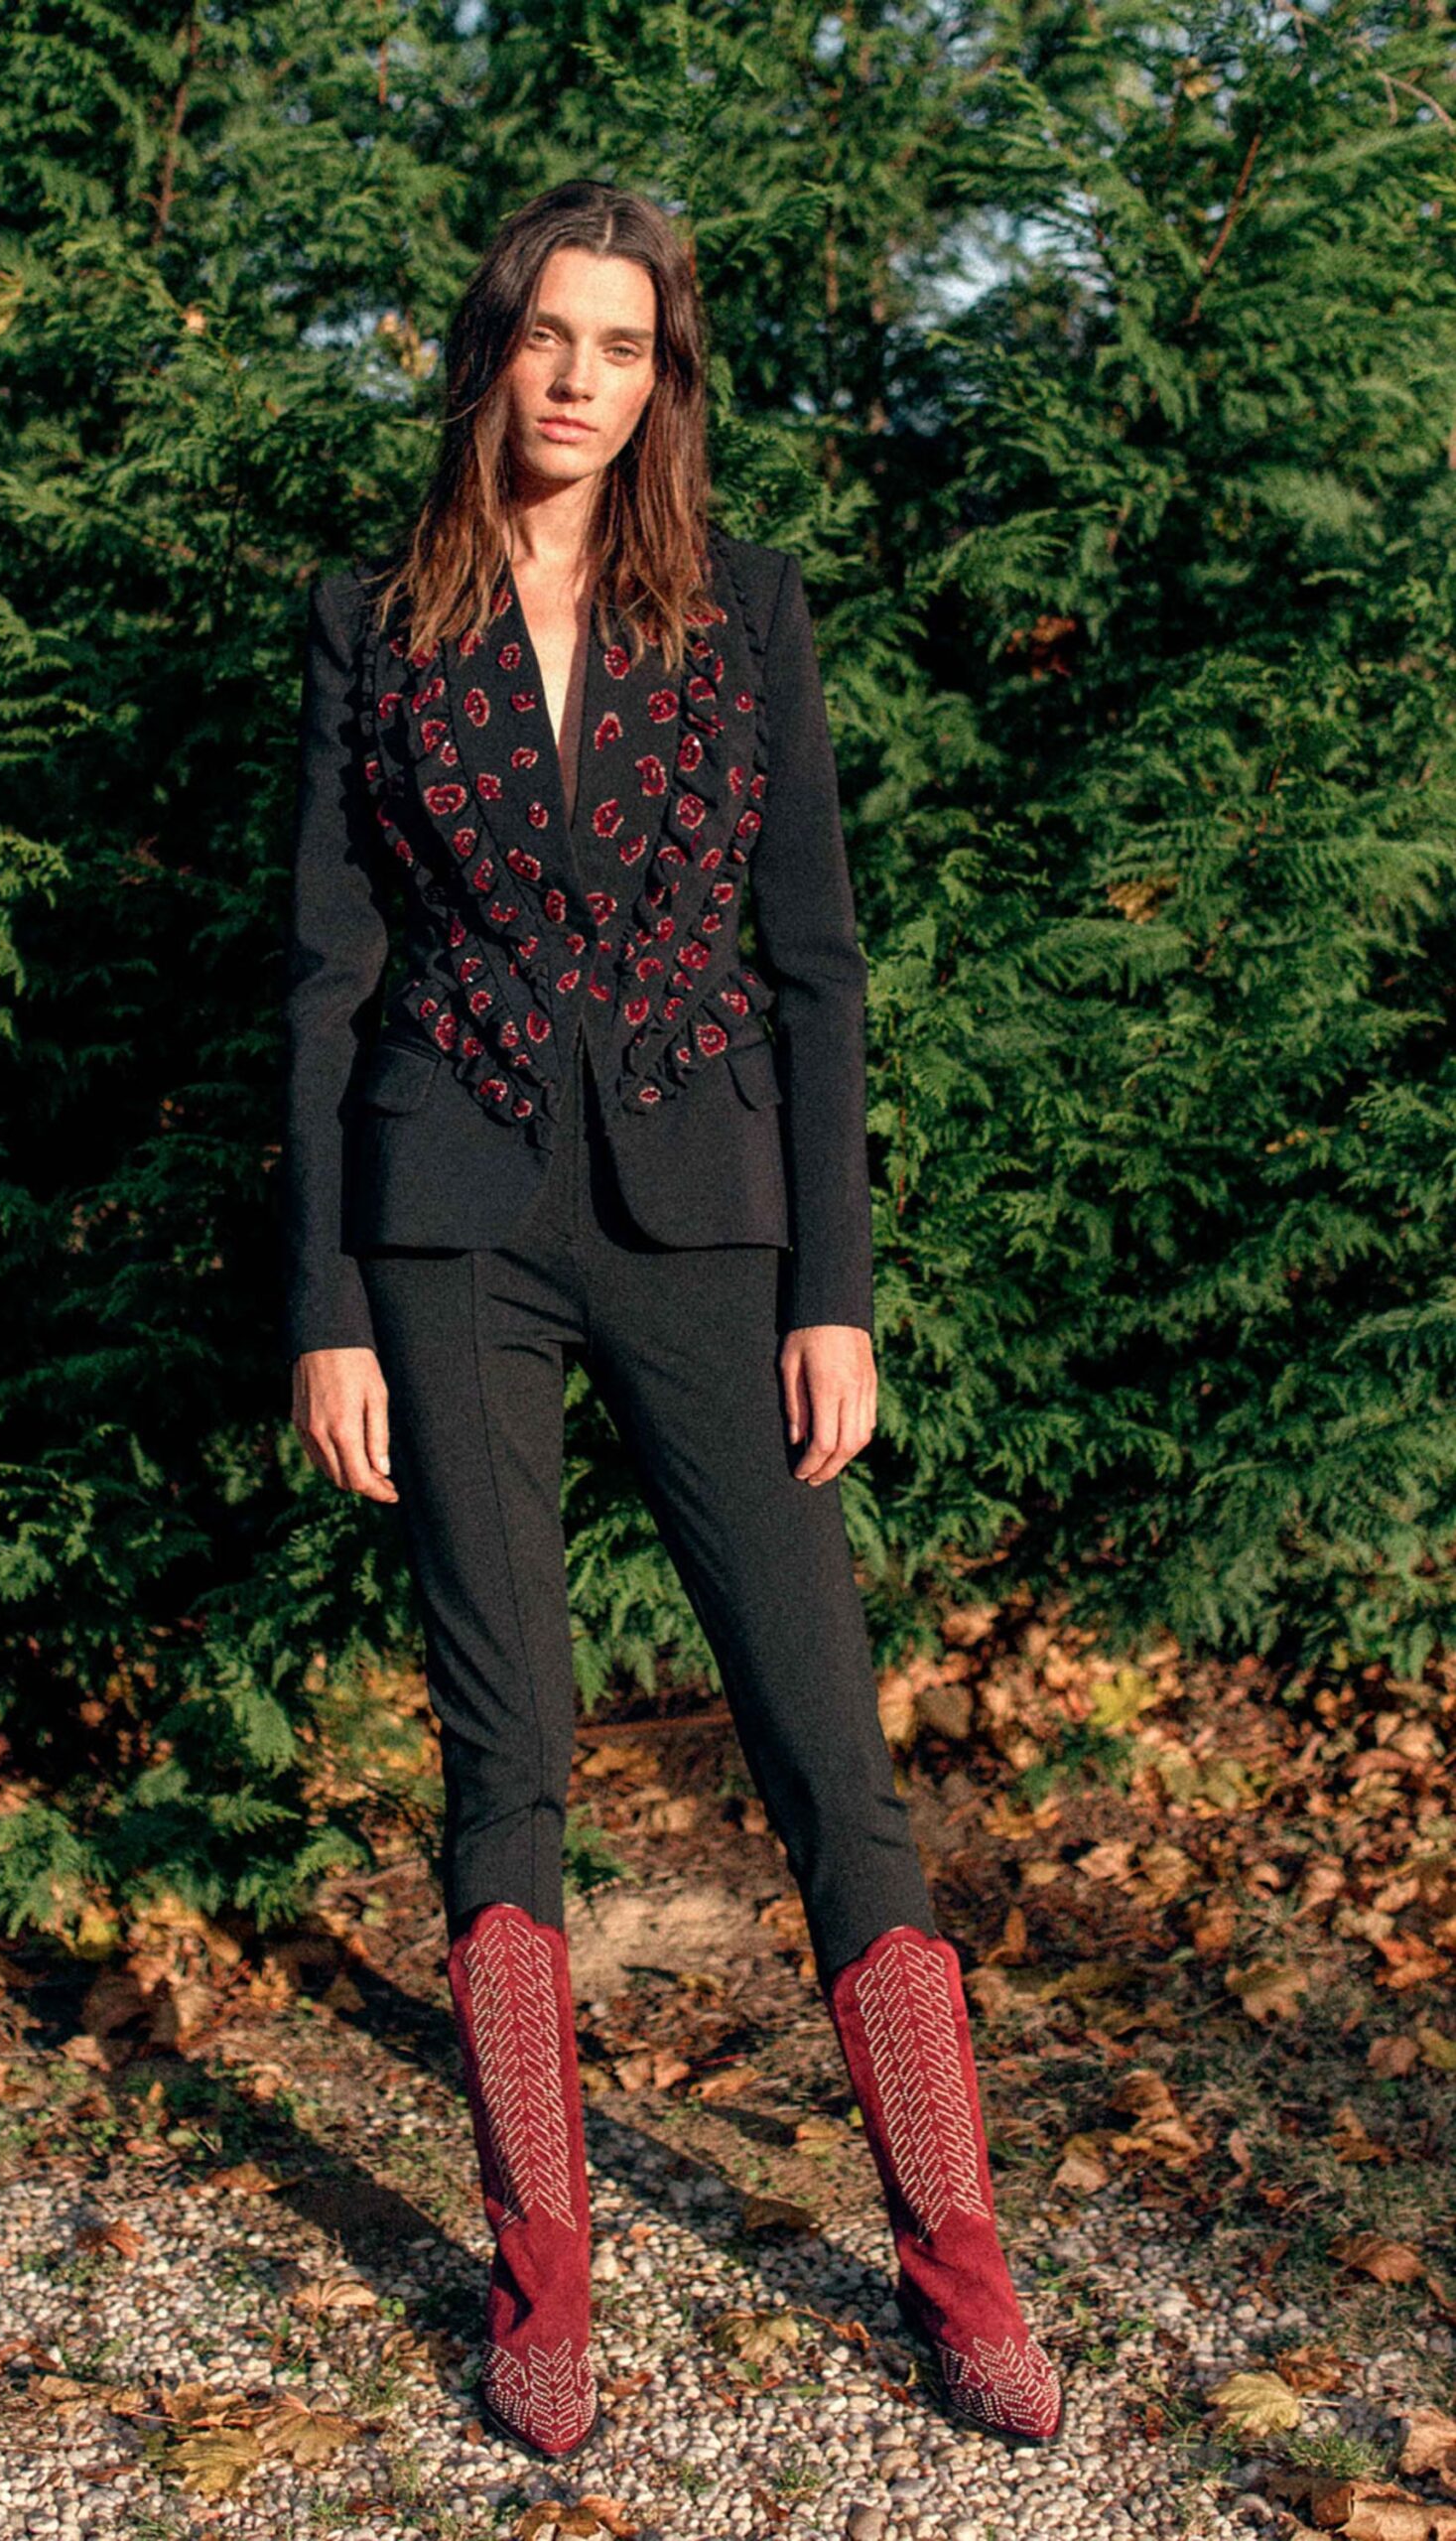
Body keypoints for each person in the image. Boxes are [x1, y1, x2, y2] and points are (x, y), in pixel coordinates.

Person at [281, 179, 1063, 2467]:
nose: (574, 376)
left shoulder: (745, 618)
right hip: (444, 1225)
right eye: (545, 331)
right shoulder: (364, 623)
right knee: (498, 1749)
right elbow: (326, 979)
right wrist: (325, 1300)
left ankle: (958, 2264)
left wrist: (837, 1285)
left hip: (706, 1219)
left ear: (659, 381)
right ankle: (543, 2287)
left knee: (826, 1742)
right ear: (490, 348)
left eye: (617, 344)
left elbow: (812, 966)